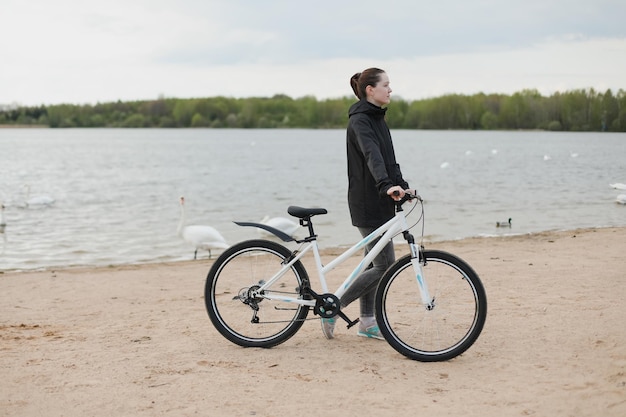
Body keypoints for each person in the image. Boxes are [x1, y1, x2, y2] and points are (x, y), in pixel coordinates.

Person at [321, 67, 412, 340]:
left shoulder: (378, 119)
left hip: (381, 199)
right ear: (371, 90)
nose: (390, 89)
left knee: (372, 261)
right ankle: (333, 308)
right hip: (367, 202)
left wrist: (402, 185)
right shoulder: (361, 121)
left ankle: (368, 322)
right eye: (386, 84)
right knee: (384, 264)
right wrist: (386, 186)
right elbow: (372, 156)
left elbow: (388, 159)